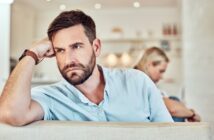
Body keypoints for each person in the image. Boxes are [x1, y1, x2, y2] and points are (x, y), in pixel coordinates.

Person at [0, 10, 173, 126]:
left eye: (76, 46)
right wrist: (31, 54)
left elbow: (170, 135)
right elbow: (10, 113)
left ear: (96, 47)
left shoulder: (137, 82)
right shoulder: (51, 97)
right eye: (60, 50)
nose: (69, 59)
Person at [134, 47, 201, 122]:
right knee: (174, 100)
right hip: (144, 128)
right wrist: (192, 114)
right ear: (150, 64)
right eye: (161, 71)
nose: (162, 76)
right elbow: (172, 109)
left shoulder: (135, 78)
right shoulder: (140, 81)